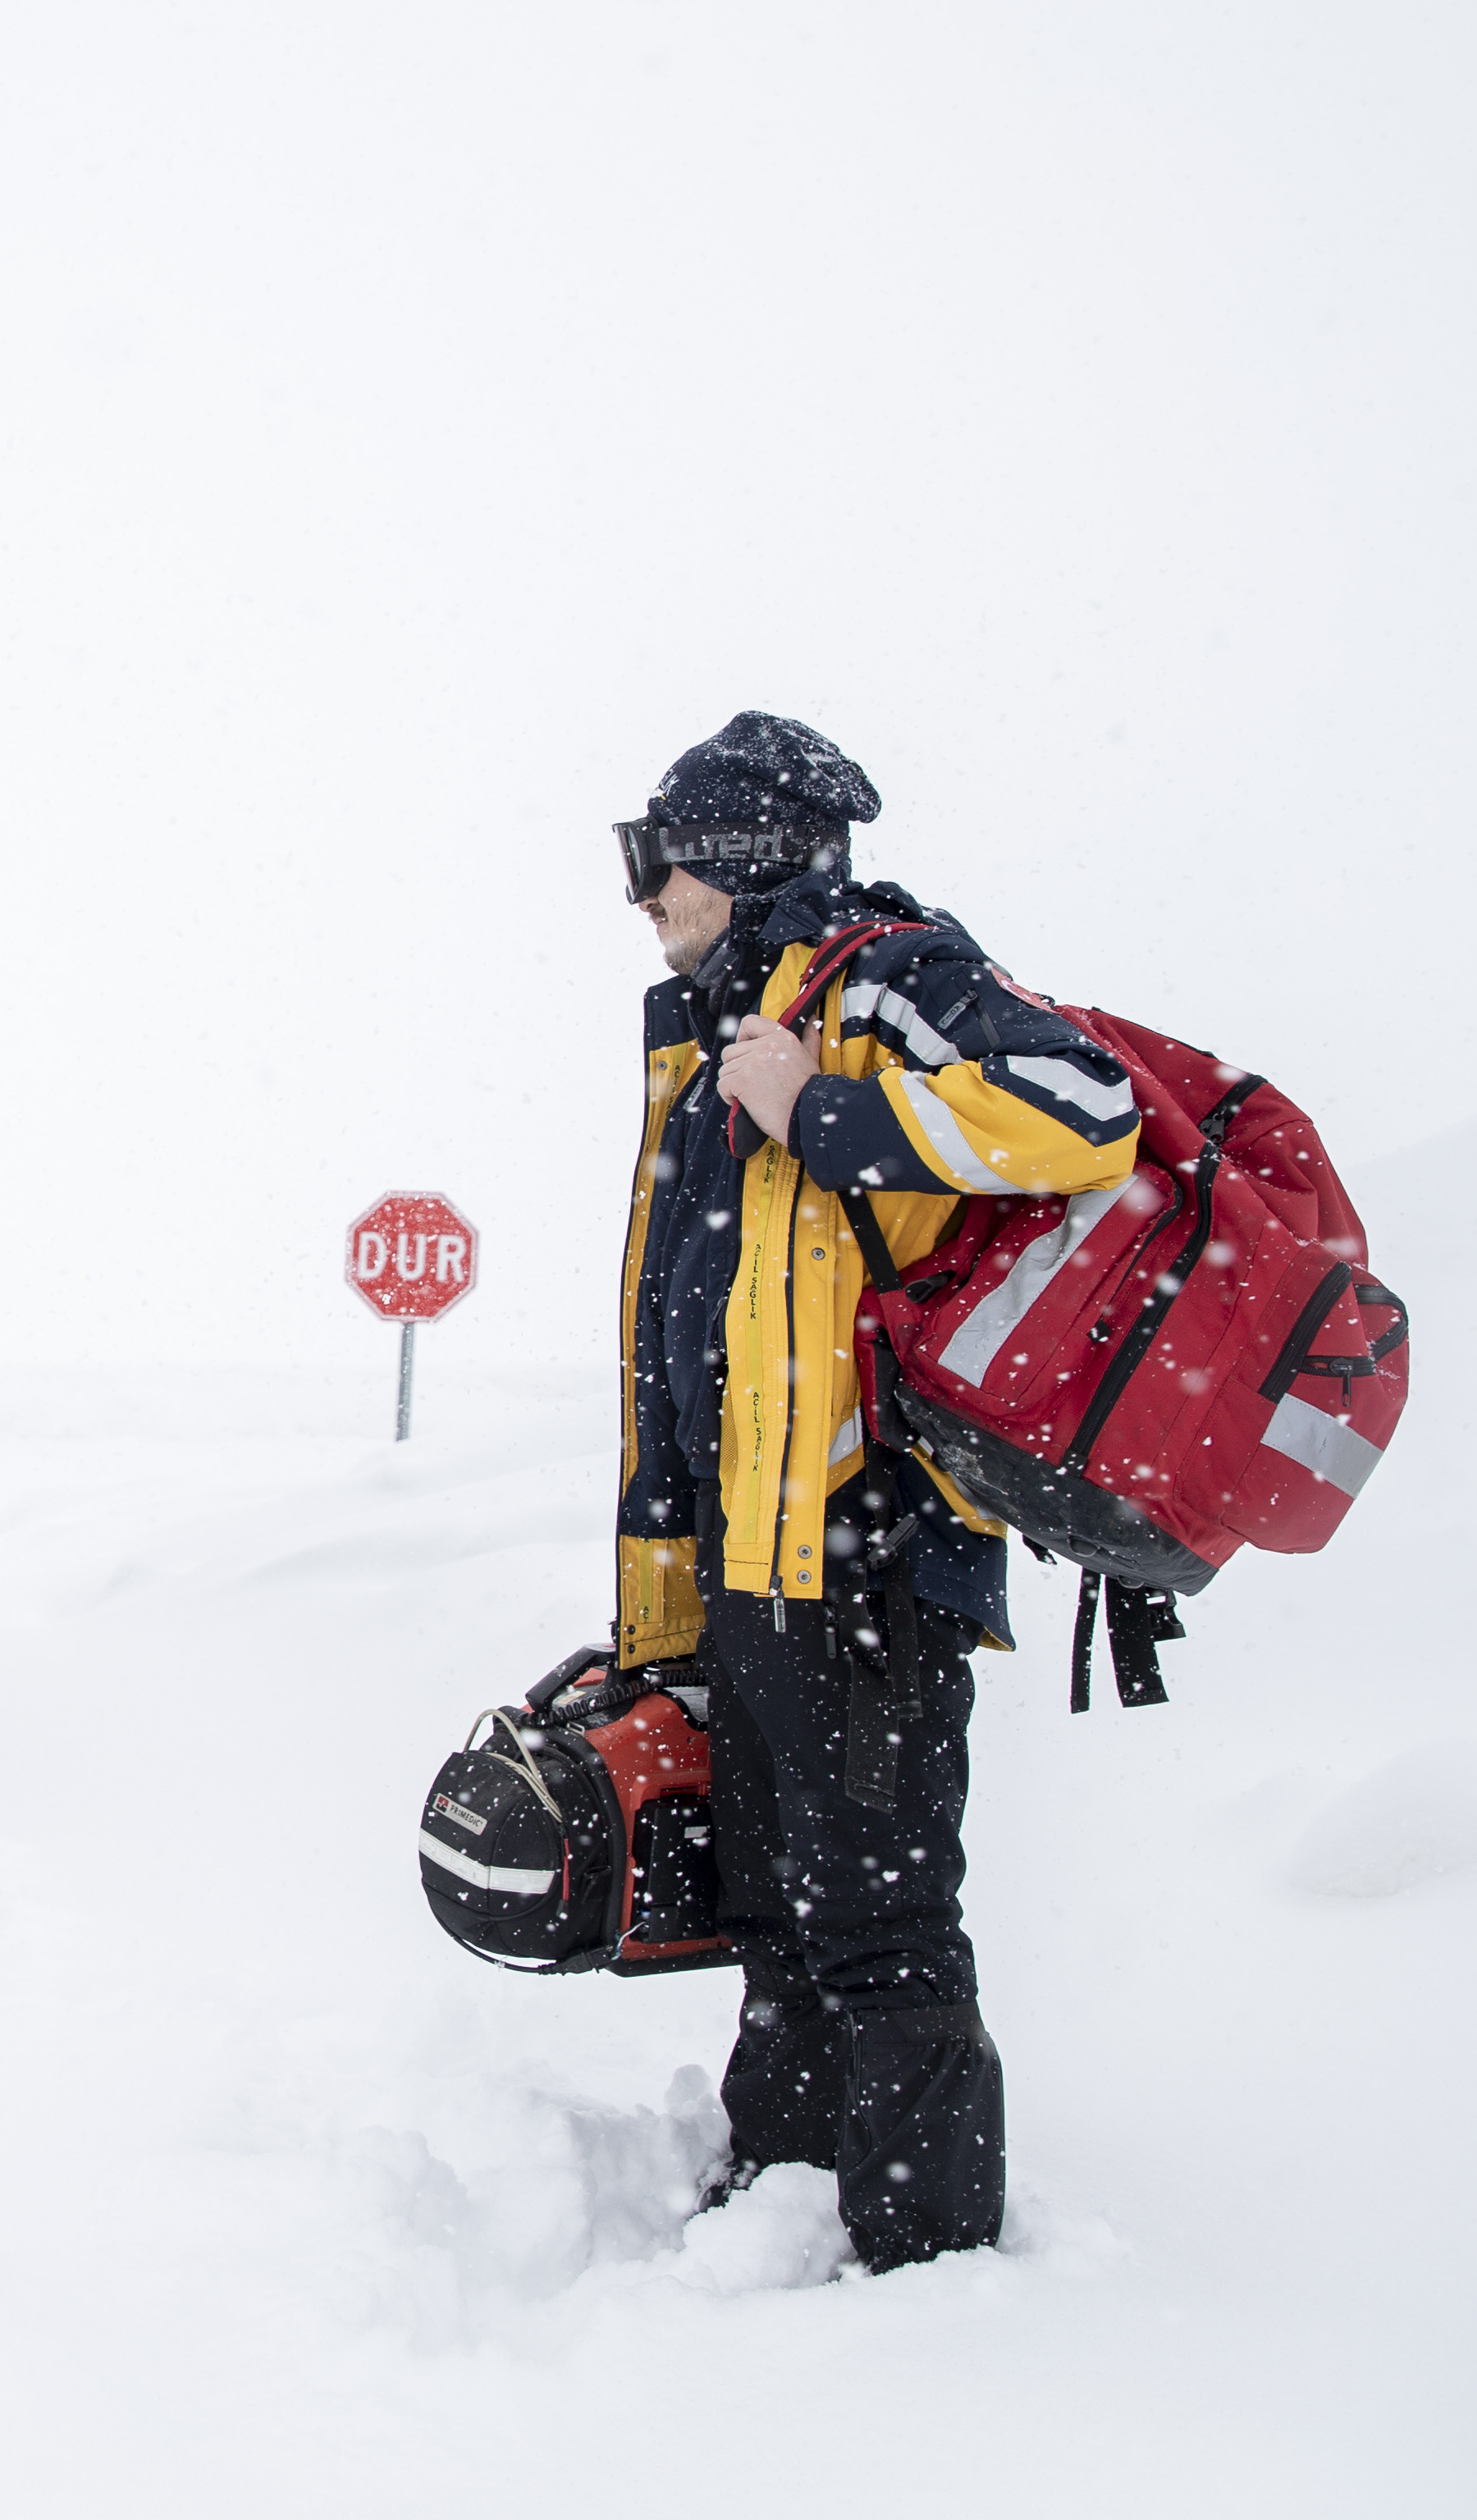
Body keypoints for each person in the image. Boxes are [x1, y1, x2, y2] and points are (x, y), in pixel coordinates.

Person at [609, 711, 1139, 2269]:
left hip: (870, 1555)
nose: (644, 898)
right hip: (754, 1561)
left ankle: (928, 2276)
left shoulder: (889, 980)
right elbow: (678, 1345)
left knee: (883, 1927)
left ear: (752, 850)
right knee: (773, 1915)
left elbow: (1084, 1110)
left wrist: (828, 1113)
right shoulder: (717, 1033)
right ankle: (781, 2201)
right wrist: (664, 1602)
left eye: (662, 860)